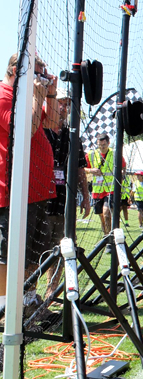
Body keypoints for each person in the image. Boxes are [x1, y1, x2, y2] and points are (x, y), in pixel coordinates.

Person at [0, 53, 56, 311]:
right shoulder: (4, 96)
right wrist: (39, 96)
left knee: (35, 251)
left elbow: (52, 123)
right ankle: (4, 306)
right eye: (37, 74)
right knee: (7, 254)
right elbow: (24, 131)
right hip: (12, 191)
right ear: (16, 71)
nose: (40, 79)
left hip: (36, 189)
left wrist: (50, 95)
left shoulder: (26, 96)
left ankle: (28, 299)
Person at [43, 85, 91, 299]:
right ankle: (28, 294)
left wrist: (86, 197)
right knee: (37, 249)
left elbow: (80, 168)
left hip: (63, 201)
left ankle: (51, 293)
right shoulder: (38, 128)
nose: (63, 107)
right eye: (60, 102)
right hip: (39, 200)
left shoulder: (73, 136)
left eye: (66, 104)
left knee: (62, 246)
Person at [85, 133, 126, 235]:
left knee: (107, 213)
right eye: (100, 145)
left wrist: (121, 175)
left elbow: (123, 166)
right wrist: (91, 170)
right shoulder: (91, 154)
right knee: (102, 217)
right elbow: (82, 168)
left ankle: (111, 236)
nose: (102, 147)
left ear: (108, 143)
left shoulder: (115, 154)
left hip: (110, 189)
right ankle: (106, 236)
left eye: (104, 145)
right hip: (97, 190)